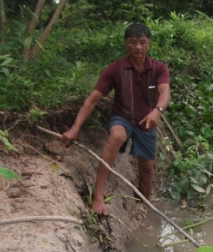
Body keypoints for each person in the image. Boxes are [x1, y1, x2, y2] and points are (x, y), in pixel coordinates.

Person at [61, 22, 171, 216]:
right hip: (122, 117)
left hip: (147, 122)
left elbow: (165, 93)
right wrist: (75, 128)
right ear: (126, 44)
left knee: (146, 170)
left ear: (149, 44)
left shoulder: (158, 69)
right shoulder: (115, 69)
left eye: (142, 42)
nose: (138, 47)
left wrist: (157, 111)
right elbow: (91, 101)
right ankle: (98, 194)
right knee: (117, 135)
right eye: (133, 42)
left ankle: (144, 204)